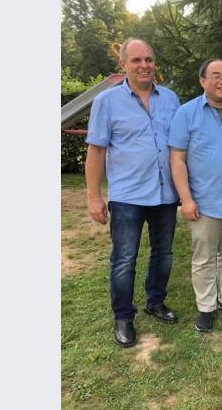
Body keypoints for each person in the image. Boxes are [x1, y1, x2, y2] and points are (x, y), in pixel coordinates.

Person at [85, 38, 180, 348]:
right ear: (123, 64)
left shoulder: (170, 100)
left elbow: (181, 148)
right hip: (127, 196)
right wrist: (93, 196)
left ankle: (156, 301)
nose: (144, 66)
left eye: (149, 60)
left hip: (165, 194)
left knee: (163, 255)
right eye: (137, 60)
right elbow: (96, 151)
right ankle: (124, 316)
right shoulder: (107, 102)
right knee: (124, 259)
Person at [169, 58, 222, 332]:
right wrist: (186, 198)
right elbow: (177, 159)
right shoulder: (186, 113)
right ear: (203, 81)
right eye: (215, 75)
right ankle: (206, 306)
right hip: (204, 201)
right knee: (204, 257)